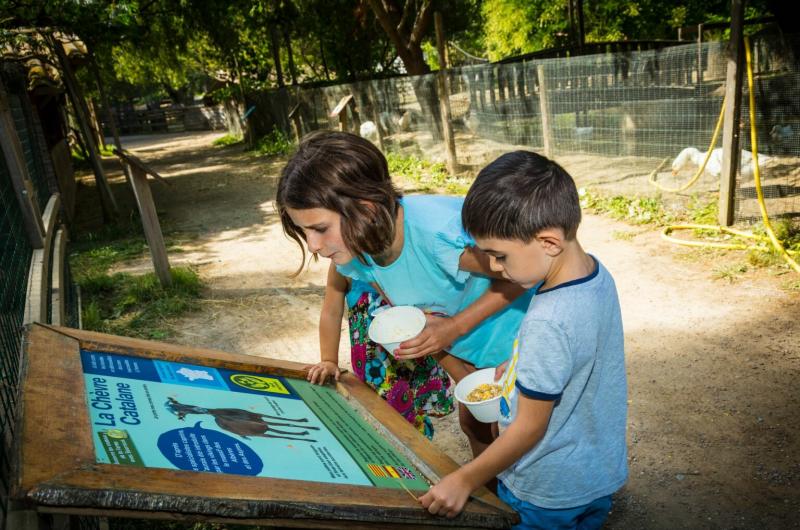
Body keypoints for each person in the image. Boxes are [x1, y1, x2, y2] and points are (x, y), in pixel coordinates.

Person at [276, 131, 533, 456]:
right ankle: (495, 506)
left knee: (522, 440)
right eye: (303, 231)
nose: (312, 245)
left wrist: (455, 328)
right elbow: (425, 322)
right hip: (475, 350)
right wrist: (461, 375)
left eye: (320, 229)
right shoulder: (363, 254)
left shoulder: (435, 235)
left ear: (365, 208)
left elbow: (522, 275)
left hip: (523, 339)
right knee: (475, 425)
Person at [419, 151, 627, 529]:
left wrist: (466, 478)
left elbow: (530, 427)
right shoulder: (597, 273)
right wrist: (517, 365)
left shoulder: (548, 319)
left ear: (548, 242)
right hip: (595, 473)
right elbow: (580, 355)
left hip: (545, 488)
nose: (495, 269)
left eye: (500, 256)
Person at [308, 262, 453, 439]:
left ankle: (417, 456)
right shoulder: (343, 265)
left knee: (414, 419)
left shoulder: (405, 255)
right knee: (389, 422)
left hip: (415, 353)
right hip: (377, 367)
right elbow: (331, 312)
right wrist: (329, 360)